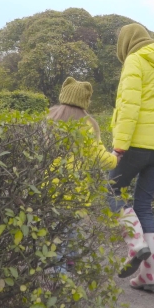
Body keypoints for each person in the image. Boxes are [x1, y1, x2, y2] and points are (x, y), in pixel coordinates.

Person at [109, 23, 154, 293]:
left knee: (109, 189)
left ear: (126, 43)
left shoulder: (135, 60)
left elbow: (129, 106)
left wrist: (119, 146)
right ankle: (149, 276)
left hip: (137, 143)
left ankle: (135, 244)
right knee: (144, 204)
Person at [46, 77, 117, 273]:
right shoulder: (88, 124)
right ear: (85, 101)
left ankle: (57, 275)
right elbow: (100, 158)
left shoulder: (50, 118)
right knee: (73, 232)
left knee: (55, 240)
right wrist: (115, 158)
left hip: (48, 193)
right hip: (76, 196)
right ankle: (67, 273)